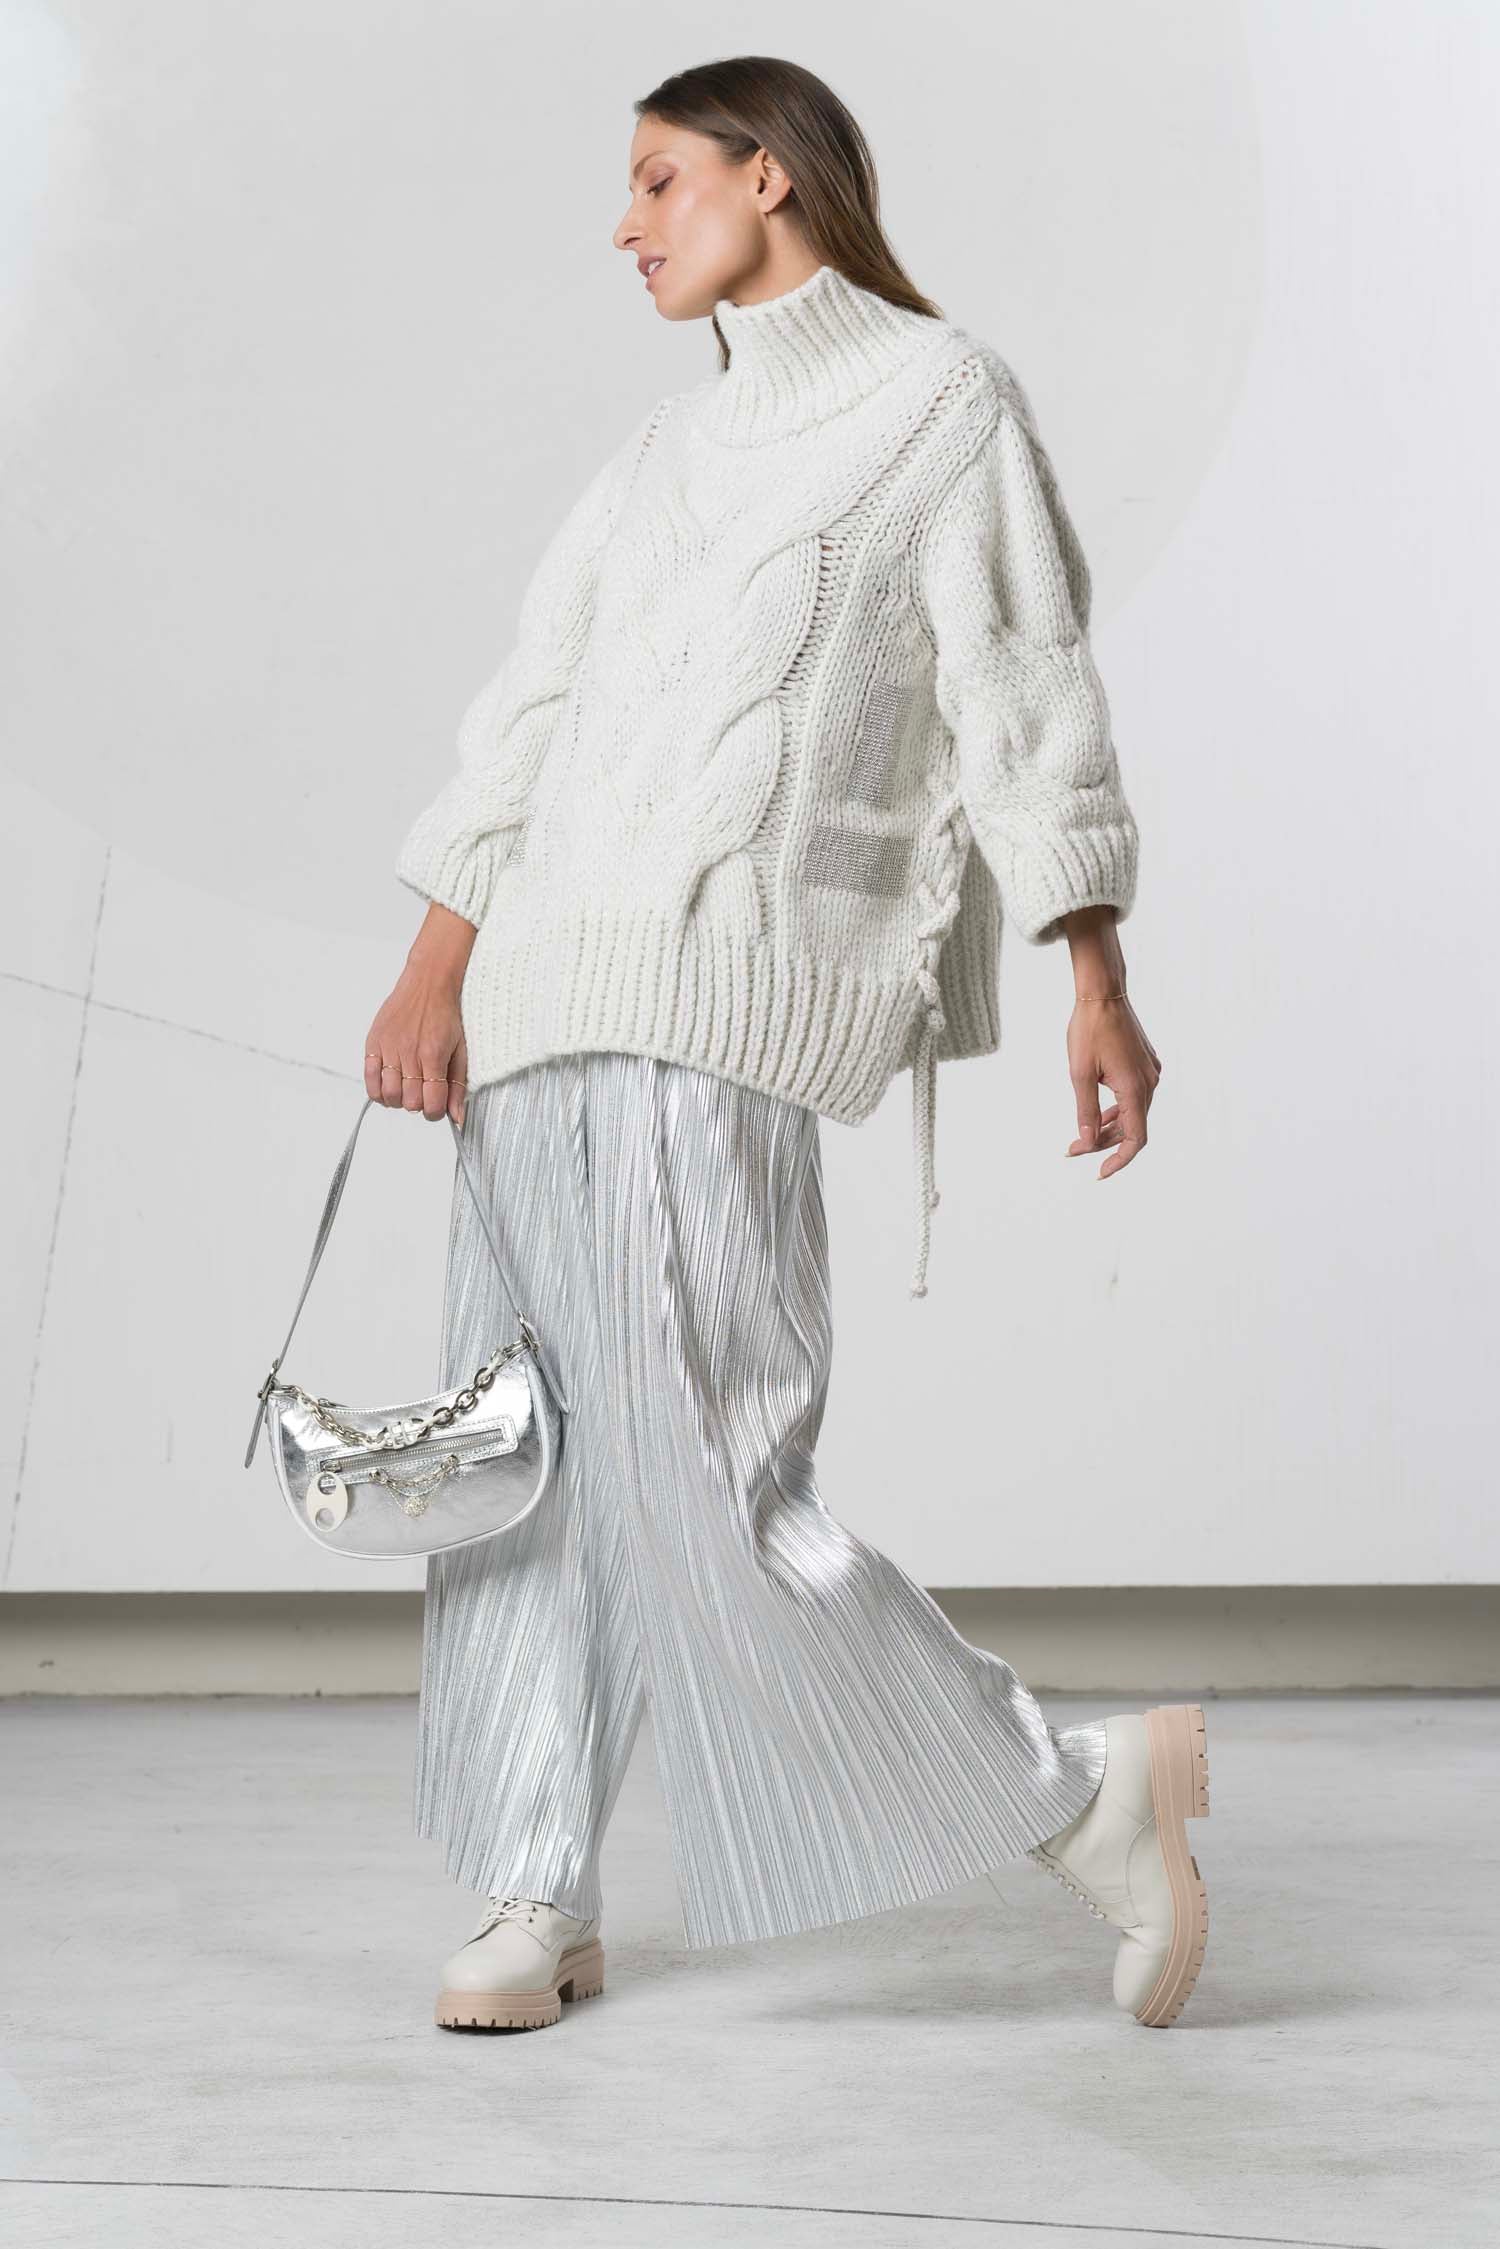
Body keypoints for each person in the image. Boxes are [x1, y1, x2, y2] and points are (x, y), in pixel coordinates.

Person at [364, 55, 1207, 2036]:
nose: (626, 223)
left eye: (659, 179)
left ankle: (1081, 1797)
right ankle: (538, 1878)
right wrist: (433, 964)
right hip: (532, 1004)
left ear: (770, 176)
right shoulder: (661, 457)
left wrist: (1093, 966)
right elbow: (531, 715)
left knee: (710, 1480)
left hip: (719, 1001)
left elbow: (1027, 696)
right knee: (525, 1471)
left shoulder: (940, 402)